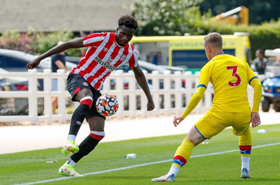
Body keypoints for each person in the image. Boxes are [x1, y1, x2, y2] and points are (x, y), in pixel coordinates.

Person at [26, 15, 155, 177]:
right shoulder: (101, 38)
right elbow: (68, 44)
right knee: (86, 99)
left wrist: (149, 98)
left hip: (95, 88)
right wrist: (40, 57)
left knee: (98, 132)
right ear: (117, 30)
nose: (125, 38)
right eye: (122, 33)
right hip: (78, 77)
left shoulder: (129, 53)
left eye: (129, 35)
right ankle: (70, 141)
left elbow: (140, 75)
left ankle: (68, 166)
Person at [151, 32, 262, 182]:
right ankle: (245, 169)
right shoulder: (241, 62)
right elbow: (257, 85)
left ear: (208, 48)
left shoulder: (209, 66)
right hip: (243, 114)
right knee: (244, 130)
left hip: (220, 114)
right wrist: (254, 111)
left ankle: (171, 174)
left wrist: (183, 115)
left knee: (190, 140)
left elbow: (198, 94)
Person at [51, 41, 69, 114]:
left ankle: (53, 112)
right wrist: (67, 72)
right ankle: (51, 112)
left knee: (59, 96)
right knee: (56, 96)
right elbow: (60, 66)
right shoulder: (55, 56)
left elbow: (64, 66)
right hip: (55, 78)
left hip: (60, 79)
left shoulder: (63, 55)